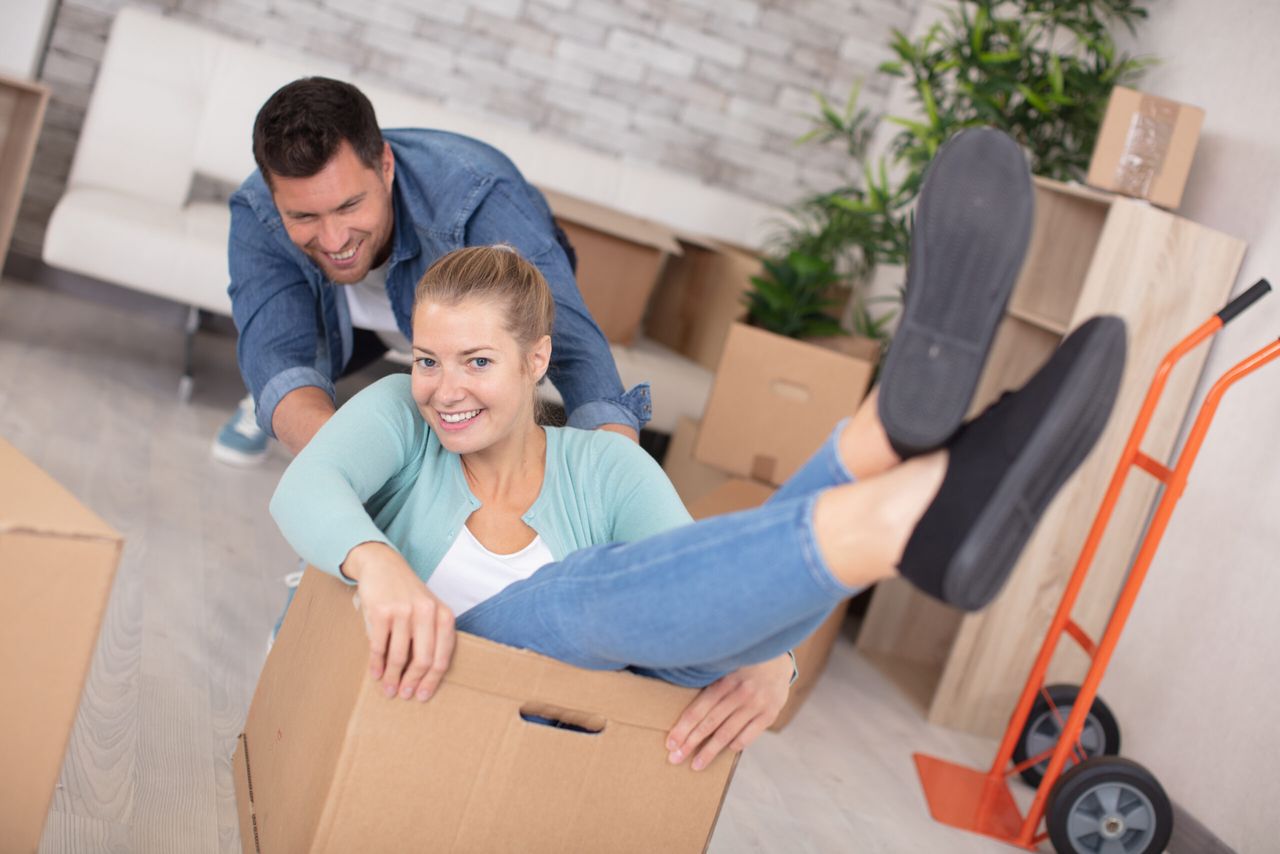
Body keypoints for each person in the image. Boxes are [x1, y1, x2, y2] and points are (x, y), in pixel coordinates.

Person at [270, 129, 1128, 770]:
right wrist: (379, 566)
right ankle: (882, 468)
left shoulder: (603, 468)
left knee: (650, 615)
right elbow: (304, 492)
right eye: (427, 359)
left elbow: (694, 582)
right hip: (410, 716)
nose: (443, 388)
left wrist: (773, 661)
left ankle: (890, 467)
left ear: (538, 363)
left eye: (477, 362)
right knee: (570, 600)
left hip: (542, 752)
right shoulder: (398, 417)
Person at [214, 76, 645, 466]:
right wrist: (362, 472)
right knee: (284, 380)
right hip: (345, 321)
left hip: (474, 323)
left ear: (385, 166)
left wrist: (617, 482)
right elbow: (274, 354)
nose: (332, 240)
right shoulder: (257, 209)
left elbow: (579, 354)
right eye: (305, 217)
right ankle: (266, 406)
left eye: (349, 206)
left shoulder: (478, 201)